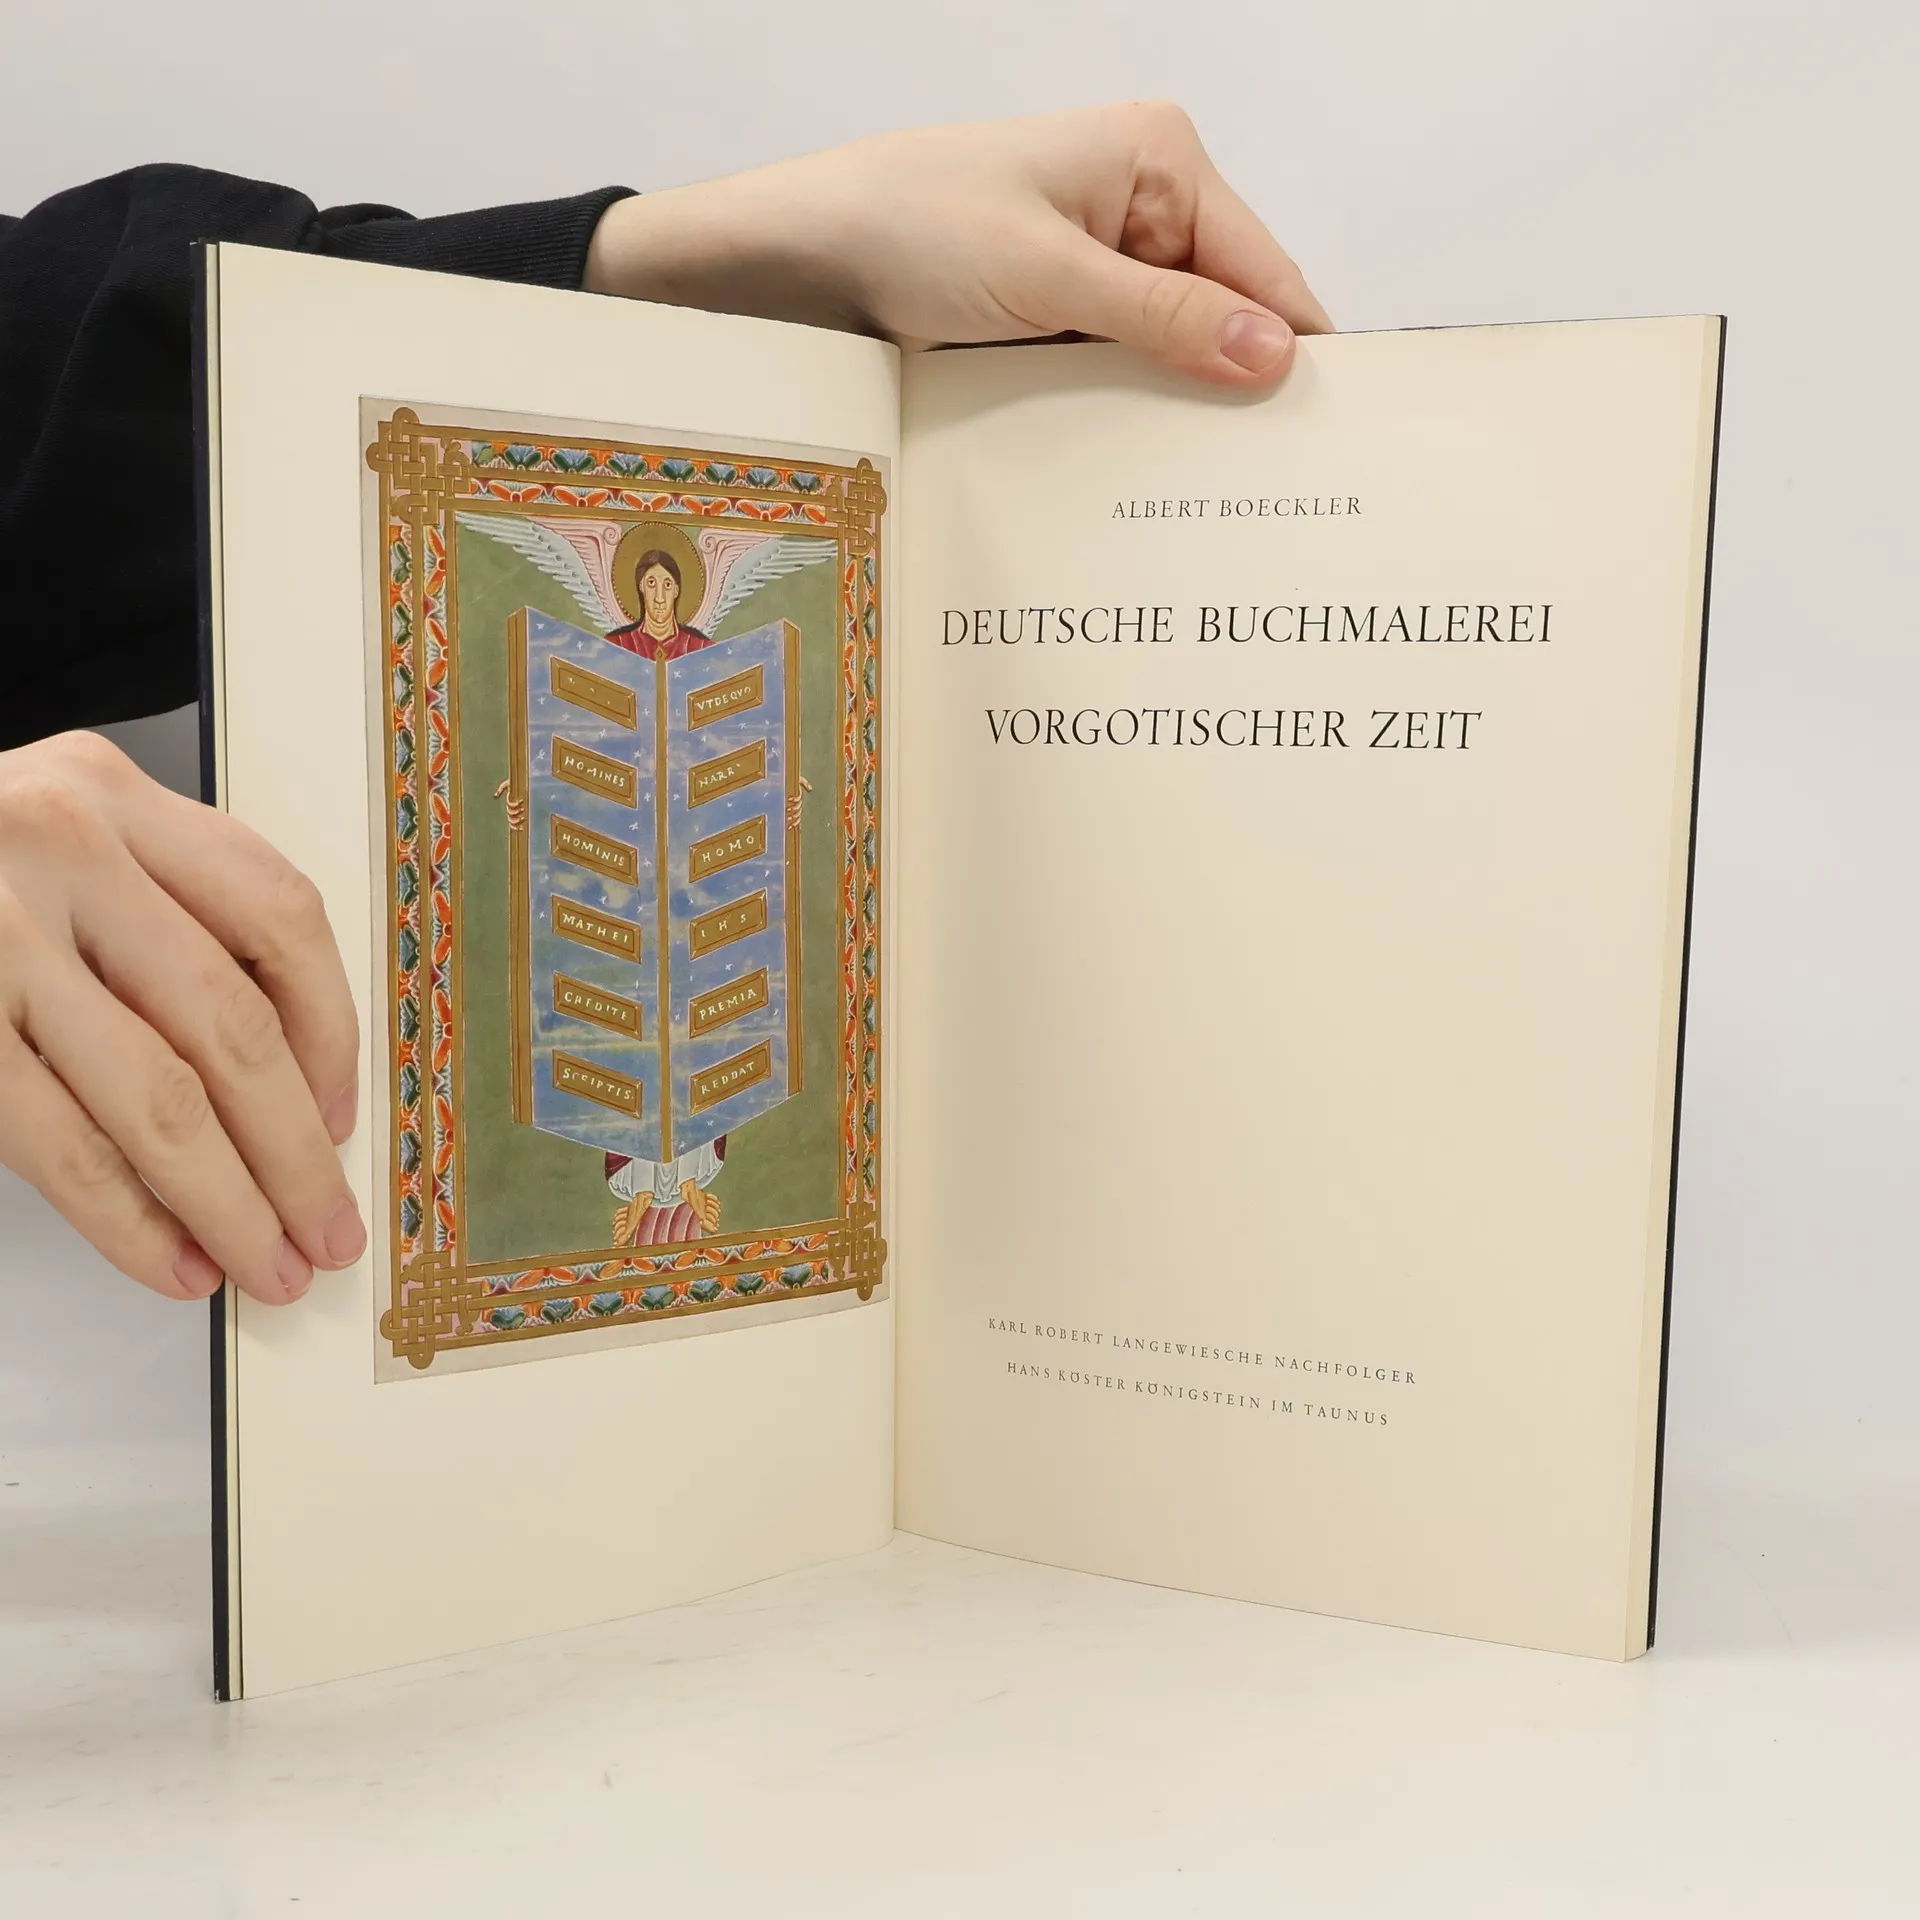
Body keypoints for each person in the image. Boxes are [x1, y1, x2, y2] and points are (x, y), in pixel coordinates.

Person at [0, 102, 1331, 1309]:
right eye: (638, 582)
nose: (649, 592)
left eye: (656, 584)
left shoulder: (707, 652)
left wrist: (722, 250)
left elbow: (74, 382)